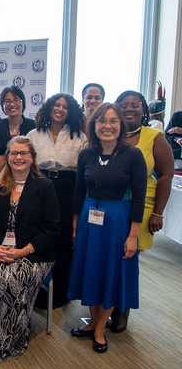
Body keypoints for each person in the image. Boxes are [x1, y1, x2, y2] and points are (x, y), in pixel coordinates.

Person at [68, 103, 147, 353]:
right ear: (94, 125)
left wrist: (133, 236)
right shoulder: (86, 154)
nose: (107, 126)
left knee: (113, 273)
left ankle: (101, 327)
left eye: (113, 121)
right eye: (102, 121)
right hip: (89, 220)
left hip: (118, 221)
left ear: (121, 125)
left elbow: (138, 198)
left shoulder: (133, 155)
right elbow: (79, 191)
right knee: (91, 270)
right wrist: (75, 226)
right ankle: (92, 321)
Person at [0, 136, 59, 363]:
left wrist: (21, 252)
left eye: (24, 153)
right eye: (14, 153)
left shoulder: (45, 187)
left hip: (32, 253)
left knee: (14, 276)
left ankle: (12, 340)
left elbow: (51, 229)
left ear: (32, 158)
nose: (18, 157)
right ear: (7, 157)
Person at [107, 91, 174, 331]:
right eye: (124, 105)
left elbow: (166, 176)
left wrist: (158, 213)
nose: (130, 109)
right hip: (111, 205)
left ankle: (122, 309)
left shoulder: (154, 136)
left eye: (135, 105)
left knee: (128, 259)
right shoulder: (111, 133)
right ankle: (107, 305)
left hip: (142, 206)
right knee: (110, 257)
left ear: (144, 109)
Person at [27, 93, 87, 308]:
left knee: (63, 241)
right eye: (56, 105)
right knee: (38, 234)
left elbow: (83, 171)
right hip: (40, 186)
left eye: (65, 106)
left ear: (70, 111)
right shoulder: (34, 134)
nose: (60, 109)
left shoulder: (80, 136)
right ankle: (33, 289)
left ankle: (61, 293)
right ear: (49, 108)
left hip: (67, 187)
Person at [0, 86, 36, 184]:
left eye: (16, 100)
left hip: (28, 179)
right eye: (7, 101)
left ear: (23, 102)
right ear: (2, 105)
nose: (12, 104)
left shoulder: (33, 126)